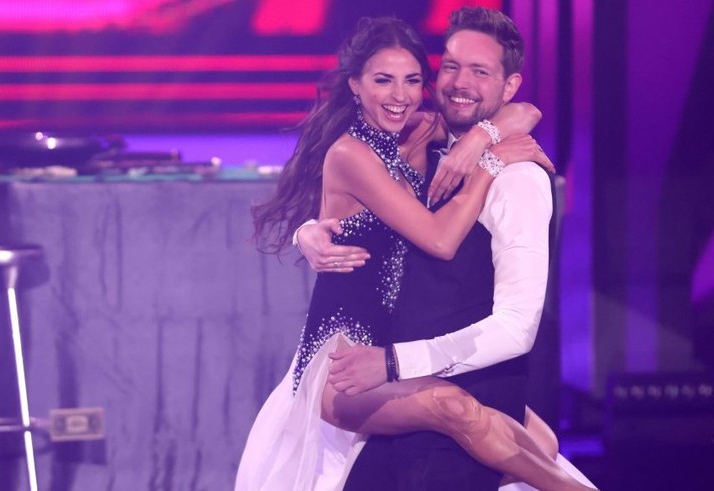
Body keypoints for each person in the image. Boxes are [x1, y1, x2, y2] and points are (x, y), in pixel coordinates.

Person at [235, 15, 594, 491]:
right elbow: (437, 239)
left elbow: (523, 112)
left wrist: (486, 138)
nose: (399, 95)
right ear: (355, 86)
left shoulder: (418, 134)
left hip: (393, 349)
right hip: (344, 357)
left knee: (541, 439)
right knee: (460, 413)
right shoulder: (359, 151)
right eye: (383, 80)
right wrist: (488, 159)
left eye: (410, 80)